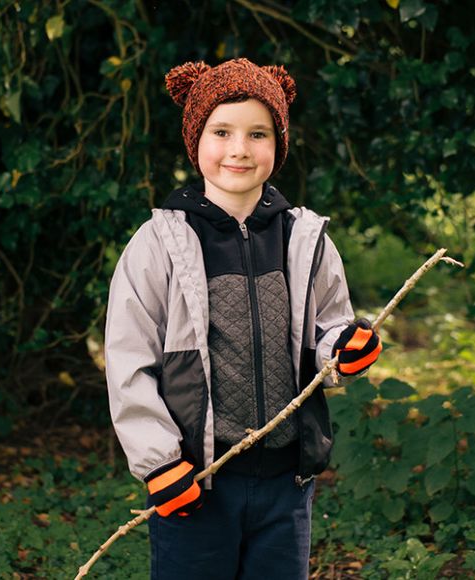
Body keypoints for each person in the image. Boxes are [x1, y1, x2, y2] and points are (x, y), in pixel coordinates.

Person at [104, 58, 382, 580]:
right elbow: (128, 362)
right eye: (222, 131)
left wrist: (344, 349)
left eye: (258, 133)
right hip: (198, 479)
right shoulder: (159, 245)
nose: (239, 149)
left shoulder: (305, 240)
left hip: (285, 483)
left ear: (278, 144)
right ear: (196, 140)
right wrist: (159, 462)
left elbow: (329, 329)